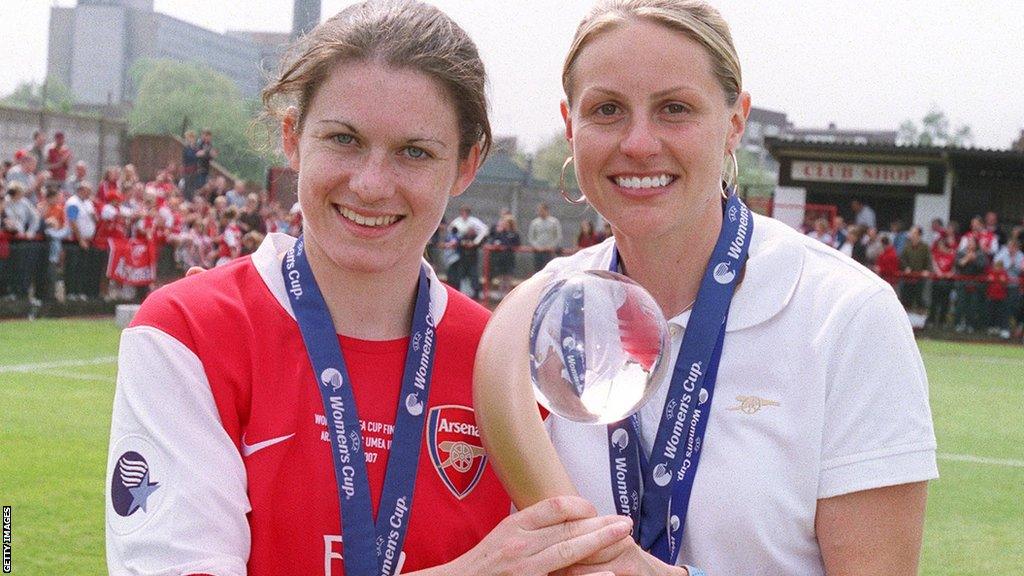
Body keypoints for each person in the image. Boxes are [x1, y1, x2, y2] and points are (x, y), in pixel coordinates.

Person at [106, 2, 631, 575]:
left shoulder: (504, 365)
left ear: (466, 164)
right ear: (293, 137)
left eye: (414, 152)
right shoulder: (190, 331)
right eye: (344, 140)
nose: (372, 184)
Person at [474, 2, 936, 575]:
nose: (639, 143)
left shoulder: (845, 315)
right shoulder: (537, 311)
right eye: (607, 109)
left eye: (675, 109)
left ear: (735, 122)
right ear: (571, 126)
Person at [487, 214, 521, 294]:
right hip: (501, 257)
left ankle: (507, 292)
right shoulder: (502, 233)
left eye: (506, 223)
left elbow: (516, 243)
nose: (504, 225)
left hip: (509, 257)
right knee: (501, 275)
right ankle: (501, 292)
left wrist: (508, 246)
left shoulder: (515, 233)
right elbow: (494, 239)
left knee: (508, 276)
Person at [528, 202, 563, 271]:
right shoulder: (535, 222)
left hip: (549, 251)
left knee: (548, 270)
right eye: (539, 210)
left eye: (541, 210)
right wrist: (537, 247)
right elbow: (531, 237)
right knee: (538, 269)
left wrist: (550, 246)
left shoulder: (554, 222)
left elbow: (558, 236)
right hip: (538, 250)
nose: (540, 212)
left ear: (546, 210)